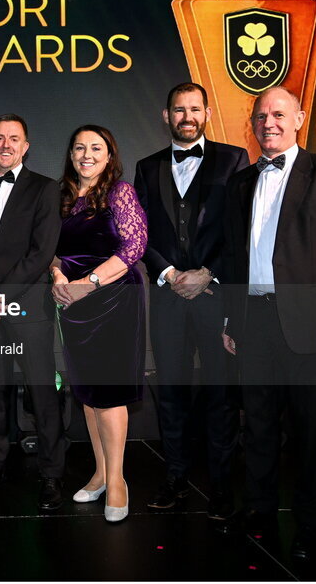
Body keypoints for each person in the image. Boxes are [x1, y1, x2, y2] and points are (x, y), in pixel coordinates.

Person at [221, 86, 316, 562]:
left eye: (279, 113)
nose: (269, 122)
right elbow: (232, 257)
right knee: (259, 427)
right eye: (261, 115)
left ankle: (311, 526)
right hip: (253, 320)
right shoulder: (240, 183)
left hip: (312, 323)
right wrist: (229, 315)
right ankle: (261, 511)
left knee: (312, 431)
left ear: (300, 118)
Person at [133, 82, 248, 520]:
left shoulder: (233, 158)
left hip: (216, 295)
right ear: (166, 116)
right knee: (172, 392)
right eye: (178, 109)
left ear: (207, 112)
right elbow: (139, 233)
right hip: (167, 297)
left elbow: (239, 228)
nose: (186, 116)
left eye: (194, 108)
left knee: (221, 394)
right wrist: (168, 273)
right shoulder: (147, 167)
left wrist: (208, 273)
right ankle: (175, 478)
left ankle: (221, 488)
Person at [0, 113, 68, 511]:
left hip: (27, 310)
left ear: (26, 146)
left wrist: (0, 296)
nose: (6, 145)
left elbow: (41, 253)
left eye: (14, 139)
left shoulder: (45, 189)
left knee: (41, 392)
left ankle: (52, 474)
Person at [50, 125, 147, 523]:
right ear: (70, 154)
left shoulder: (119, 192)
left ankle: (119, 479)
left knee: (109, 393)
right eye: (78, 148)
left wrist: (87, 284)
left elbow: (134, 245)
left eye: (95, 148)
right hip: (73, 304)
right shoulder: (62, 197)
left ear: (109, 155)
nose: (85, 155)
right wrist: (57, 277)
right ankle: (101, 472)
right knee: (88, 394)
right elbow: (52, 250)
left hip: (113, 299)